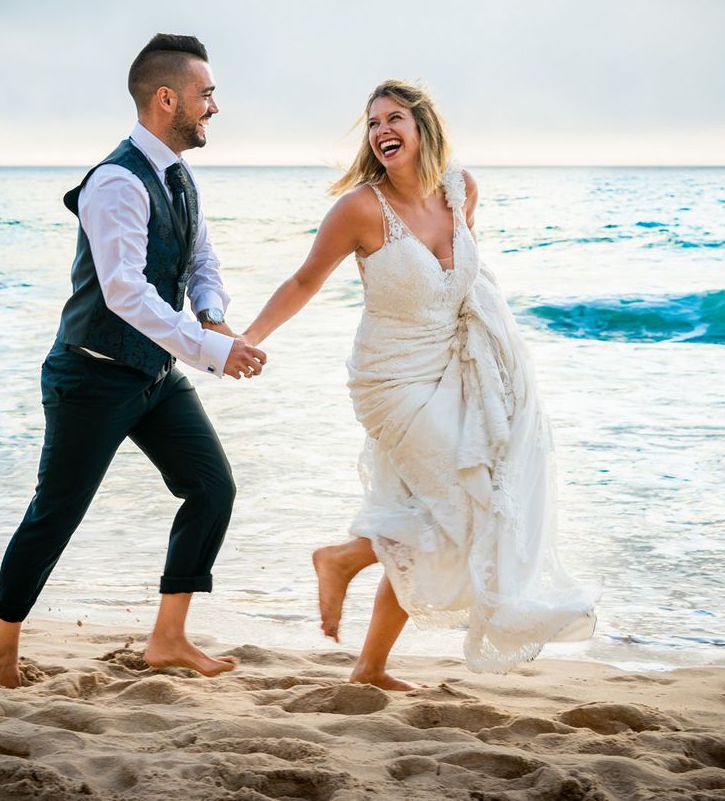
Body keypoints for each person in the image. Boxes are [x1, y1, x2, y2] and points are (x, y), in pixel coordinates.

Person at [241, 80, 597, 690]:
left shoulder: (461, 189)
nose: (382, 131)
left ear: (423, 126)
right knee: (464, 505)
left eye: (395, 118)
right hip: (392, 379)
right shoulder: (360, 208)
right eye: (374, 122)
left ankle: (370, 667)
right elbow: (304, 281)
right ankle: (343, 558)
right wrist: (246, 340)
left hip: (454, 368)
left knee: (425, 512)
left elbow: (469, 282)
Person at [0, 34, 267, 687]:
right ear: (167, 99)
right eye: (206, 94)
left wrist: (213, 314)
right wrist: (215, 353)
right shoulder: (114, 182)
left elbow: (200, 259)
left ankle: (167, 638)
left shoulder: (178, 177)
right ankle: (0, 642)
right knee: (57, 512)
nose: (214, 107)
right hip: (90, 375)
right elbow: (127, 294)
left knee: (211, 488)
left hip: (155, 377)